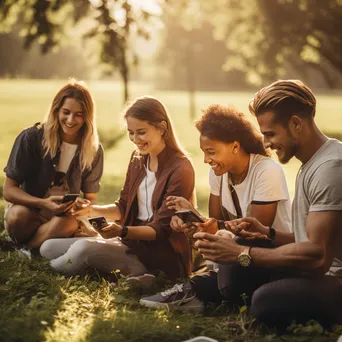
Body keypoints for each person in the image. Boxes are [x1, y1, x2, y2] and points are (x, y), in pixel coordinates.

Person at [157, 80, 342, 328]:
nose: (265, 144)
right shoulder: (311, 164)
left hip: (333, 279)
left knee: (265, 300)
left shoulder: (330, 168)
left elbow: (319, 256)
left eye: (270, 134)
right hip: (312, 271)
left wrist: (243, 254)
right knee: (237, 268)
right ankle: (203, 291)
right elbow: (306, 239)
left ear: (296, 124)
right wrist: (268, 233)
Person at [140, 104, 292, 311]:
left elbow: (254, 231)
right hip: (237, 252)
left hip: (269, 252)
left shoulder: (266, 170)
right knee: (226, 263)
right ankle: (199, 293)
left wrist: (210, 227)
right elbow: (217, 225)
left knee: (232, 267)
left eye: (211, 152)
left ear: (235, 147)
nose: (206, 160)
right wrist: (192, 220)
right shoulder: (219, 174)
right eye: (204, 152)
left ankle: (195, 291)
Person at [40, 96, 195, 282]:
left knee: (83, 249)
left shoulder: (181, 168)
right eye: (131, 132)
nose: (135, 139)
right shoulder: (138, 159)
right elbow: (123, 206)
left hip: (156, 255)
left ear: (162, 128)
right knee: (47, 247)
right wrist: (89, 210)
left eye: (141, 132)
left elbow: (160, 230)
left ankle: (50, 271)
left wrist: (122, 231)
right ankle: (115, 272)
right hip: (128, 242)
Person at [3, 79, 104, 250]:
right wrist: (43, 204)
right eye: (66, 112)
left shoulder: (93, 149)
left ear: (87, 117)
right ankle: (43, 240)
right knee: (17, 217)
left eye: (79, 114)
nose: (71, 120)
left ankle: (25, 248)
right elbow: (9, 190)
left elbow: (91, 198)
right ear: (56, 110)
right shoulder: (31, 138)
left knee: (66, 225)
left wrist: (83, 205)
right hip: (30, 210)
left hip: (63, 219)